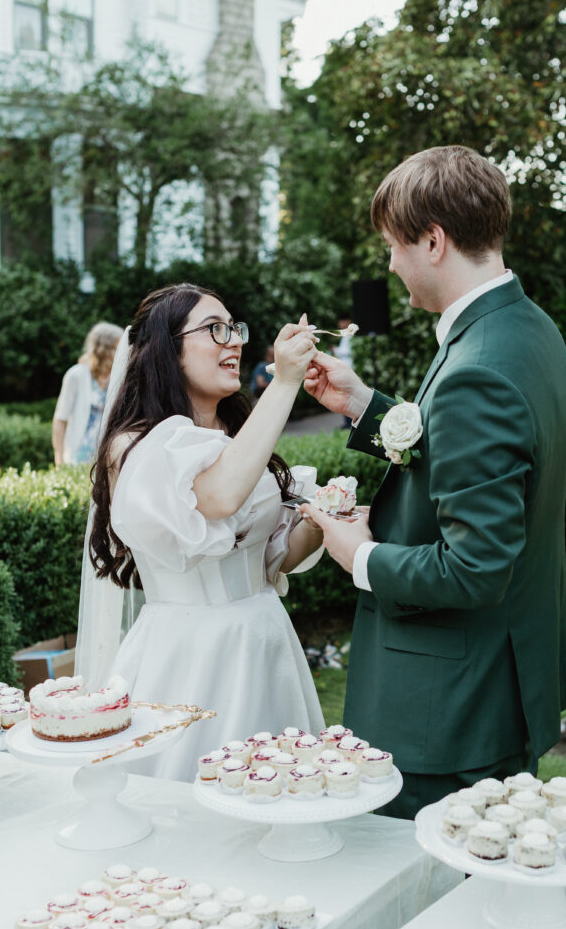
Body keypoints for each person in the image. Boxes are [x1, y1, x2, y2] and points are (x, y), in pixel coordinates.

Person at [302, 146, 566, 820]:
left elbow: (475, 568)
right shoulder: (525, 329)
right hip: (498, 680)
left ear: (433, 240)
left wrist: (355, 554)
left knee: (424, 908)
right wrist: (368, 408)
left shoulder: (475, 368)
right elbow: (470, 453)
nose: (389, 265)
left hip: (446, 712)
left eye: (393, 247)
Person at [83, 283, 324, 780]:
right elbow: (218, 499)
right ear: (167, 350)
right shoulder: (137, 445)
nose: (233, 341)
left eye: (235, 328)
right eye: (215, 329)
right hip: (193, 654)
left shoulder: (237, 442)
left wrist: (323, 519)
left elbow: (276, 560)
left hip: (265, 640)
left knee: (275, 794)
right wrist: (284, 384)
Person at [52, 321, 123, 465]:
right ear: (105, 349)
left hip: (108, 460)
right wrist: (58, 457)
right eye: (119, 347)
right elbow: (60, 419)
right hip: (77, 459)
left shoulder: (120, 377)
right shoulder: (76, 375)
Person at [332, 317, 355, 429]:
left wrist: (336, 350)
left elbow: (348, 351)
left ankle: (350, 421)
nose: (339, 324)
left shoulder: (350, 335)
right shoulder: (345, 335)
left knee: (347, 395)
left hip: (348, 369)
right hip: (344, 368)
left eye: (341, 321)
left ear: (347, 322)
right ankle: (347, 421)